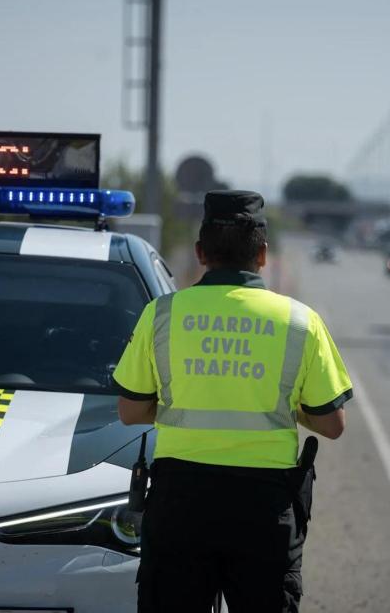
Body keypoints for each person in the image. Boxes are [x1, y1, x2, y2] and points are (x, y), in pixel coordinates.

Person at [112, 190, 353, 613]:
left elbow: (130, 411)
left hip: (180, 503)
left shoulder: (162, 313)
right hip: (264, 508)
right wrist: (284, 405)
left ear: (200, 253)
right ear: (262, 255)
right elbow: (332, 424)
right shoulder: (301, 321)